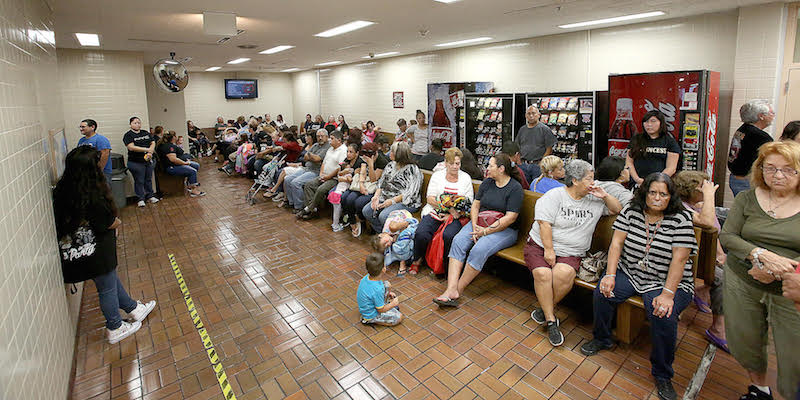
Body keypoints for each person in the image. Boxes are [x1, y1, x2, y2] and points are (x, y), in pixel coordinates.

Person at [581, 173, 697, 400]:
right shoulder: (632, 211)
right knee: (604, 292)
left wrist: (667, 294)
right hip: (631, 272)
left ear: (671, 196)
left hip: (666, 281)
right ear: (644, 193)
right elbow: (616, 243)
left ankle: (662, 374)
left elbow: (679, 260)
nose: (656, 198)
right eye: (652, 192)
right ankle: (602, 338)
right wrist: (610, 274)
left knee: (663, 313)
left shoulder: (680, 219)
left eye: (663, 194)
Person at [719, 141, 800, 400]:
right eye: (770, 168)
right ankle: (759, 388)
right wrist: (760, 255)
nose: (778, 175)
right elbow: (729, 236)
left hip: (792, 291)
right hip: (743, 280)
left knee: (792, 350)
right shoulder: (746, 198)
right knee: (746, 339)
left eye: (788, 170)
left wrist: (778, 269)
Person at [54, 146, 156, 344]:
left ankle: (133, 308)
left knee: (109, 280)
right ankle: (115, 326)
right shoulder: (91, 194)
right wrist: (118, 223)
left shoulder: (64, 188)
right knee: (107, 288)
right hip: (95, 249)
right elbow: (108, 221)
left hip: (78, 248)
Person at [527, 160, 622, 346]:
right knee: (543, 273)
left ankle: (545, 310)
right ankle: (552, 321)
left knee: (564, 273)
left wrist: (604, 195)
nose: (593, 182)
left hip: (572, 251)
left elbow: (616, 209)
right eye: (589, 178)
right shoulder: (555, 196)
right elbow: (544, 223)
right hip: (541, 245)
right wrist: (549, 250)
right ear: (576, 180)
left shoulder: (595, 198)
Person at [434, 154, 523, 308]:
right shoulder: (487, 183)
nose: (487, 168)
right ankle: (450, 289)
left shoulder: (515, 188)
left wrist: (485, 232)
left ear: (501, 169)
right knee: (458, 241)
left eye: (491, 166)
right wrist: (475, 225)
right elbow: (476, 205)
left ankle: (456, 291)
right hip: (480, 222)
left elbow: (510, 218)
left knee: (479, 249)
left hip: (504, 229)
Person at [673, 171, 728, 352]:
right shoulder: (681, 208)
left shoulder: (697, 206)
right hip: (694, 260)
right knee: (725, 279)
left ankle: (702, 291)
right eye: (703, 187)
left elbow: (714, 236)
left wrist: (720, 254)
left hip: (706, 257)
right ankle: (718, 328)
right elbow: (708, 225)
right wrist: (710, 197)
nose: (707, 188)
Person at [412, 147, 475, 274]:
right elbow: (430, 199)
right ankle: (417, 259)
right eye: (451, 163)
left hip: (457, 216)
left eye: (457, 163)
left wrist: (452, 215)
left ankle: (445, 268)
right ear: (445, 163)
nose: (455, 167)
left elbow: (468, 203)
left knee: (449, 235)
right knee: (421, 233)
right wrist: (447, 209)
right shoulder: (437, 176)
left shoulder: (466, 178)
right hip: (435, 211)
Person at [362, 142, 423, 233]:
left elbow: (411, 193)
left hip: (406, 201)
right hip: (386, 197)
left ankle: (390, 236)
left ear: (399, 155)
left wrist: (392, 201)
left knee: (384, 215)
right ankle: (383, 233)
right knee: (367, 211)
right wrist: (376, 196)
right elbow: (381, 183)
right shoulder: (390, 165)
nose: (389, 153)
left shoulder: (412, 169)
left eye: (392, 152)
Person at [728, 100, 775, 197]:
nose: (773, 116)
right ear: (761, 116)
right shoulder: (761, 137)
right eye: (771, 113)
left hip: (735, 178)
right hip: (746, 181)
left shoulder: (743, 129)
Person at [343, 142, 389, 237]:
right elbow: (362, 173)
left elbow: (373, 179)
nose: (365, 158)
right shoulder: (364, 158)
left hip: (375, 188)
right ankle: (353, 221)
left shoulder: (382, 161)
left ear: (375, 154)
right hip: (364, 184)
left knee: (359, 203)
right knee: (346, 198)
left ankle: (359, 219)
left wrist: (371, 165)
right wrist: (361, 185)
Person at [298, 131, 348, 220]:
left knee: (321, 189)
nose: (329, 140)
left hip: (334, 178)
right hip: (324, 175)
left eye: (332, 138)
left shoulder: (343, 150)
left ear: (339, 140)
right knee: (308, 185)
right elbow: (324, 163)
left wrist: (328, 177)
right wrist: (321, 175)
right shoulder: (330, 149)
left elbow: (340, 168)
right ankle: (313, 210)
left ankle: (309, 209)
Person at [626, 110, 680, 187]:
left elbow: (671, 168)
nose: (649, 124)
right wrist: (637, 179)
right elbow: (629, 163)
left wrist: (655, 181)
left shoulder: (669, 141)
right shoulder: (636, 139)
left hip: (660, 184)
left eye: (653, 121)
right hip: (637, 184)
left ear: (661, 123)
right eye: (646, 122)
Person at [281, 129, 331, 212]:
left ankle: (299, 206)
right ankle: (291, 202)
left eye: (322, 136)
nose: (320, 138)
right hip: (306, 168)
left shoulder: (327, 147)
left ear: (327, 137)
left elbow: (317, 159)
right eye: (318, 136)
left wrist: (310, 156)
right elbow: (305, 157)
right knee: (287, 179)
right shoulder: (315, 145)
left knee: (295, 182)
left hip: (315, 171)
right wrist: (312, 157)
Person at [357, 253, 403, 326]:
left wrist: (388, 293)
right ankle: (369, 320)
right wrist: (393, 304)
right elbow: (380, 310)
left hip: (371, 305)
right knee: (399, 318)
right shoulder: (377, 289)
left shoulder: (367, 277)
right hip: (372, 314)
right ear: (383, 269)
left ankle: (386, 306)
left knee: (387, 284)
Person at [123, 117, 159, 207]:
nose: (137, 124)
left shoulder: (145, 133)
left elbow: (153, 142)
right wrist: (146, 149)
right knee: (139, 180)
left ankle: (150, 196)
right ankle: (140, 199)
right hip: (136, 162)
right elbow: (131, 147)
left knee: (148, 179)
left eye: (139, 122)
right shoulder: (128, 135)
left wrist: (150, 151)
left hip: (148, 160)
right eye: (135, 123)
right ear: (130, 124)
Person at [156, 131, 205, 197]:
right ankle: (194, 191)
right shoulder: (168, 146)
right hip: (171, 167)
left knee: (196, 165)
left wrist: (185, 160)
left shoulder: (171, 144)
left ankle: (190, 185)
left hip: (177, 164)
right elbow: (173, 159)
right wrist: (184, 163)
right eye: (175, 136)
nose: (176, 137)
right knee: (193, 171)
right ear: (173, 137)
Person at [515, 105, 556, 183]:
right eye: (528, 113)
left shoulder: (545, 129)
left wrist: (542, 163)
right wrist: (518, 160)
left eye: (533, 113)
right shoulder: (522, 129)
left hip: (538, 166)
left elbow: (549, 148)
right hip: (523, 165)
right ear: (525, 116)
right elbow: (517, 145)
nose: (531, 116)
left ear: (538, 115)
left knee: (536, 188)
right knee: (524, 188)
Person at [372, 209, 419, 276]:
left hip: (402, 214)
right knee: (397, 244)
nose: (388, 244)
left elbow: (406, 225)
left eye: (385, 243)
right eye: (386, 246)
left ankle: (402, 263)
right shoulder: (387, 237)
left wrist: (407, 226)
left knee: (401, 243)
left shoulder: (391, 228)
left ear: (381, 235)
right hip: (396, 220)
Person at [329, 142, 363, 231]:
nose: (348, 154)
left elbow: (355, 179)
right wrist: (342, 175)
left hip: (353, 186)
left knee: (343, 197)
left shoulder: (360, 163)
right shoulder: (346, 160)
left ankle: (345, 217)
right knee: (331, 192)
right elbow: (339, 174)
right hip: (343, 184)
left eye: (351, 152)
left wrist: (343, 176)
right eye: (347, 151)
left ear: (357, 153)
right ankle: (338, 217)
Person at [77, 119, 112, 184]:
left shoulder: (100, 139)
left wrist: (99, 171)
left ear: (92, 127)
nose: (81, 129)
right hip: (87, 173)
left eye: (83, 127)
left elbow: (105, 155)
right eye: (80, 127)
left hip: (101, 172)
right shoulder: (81, 140)